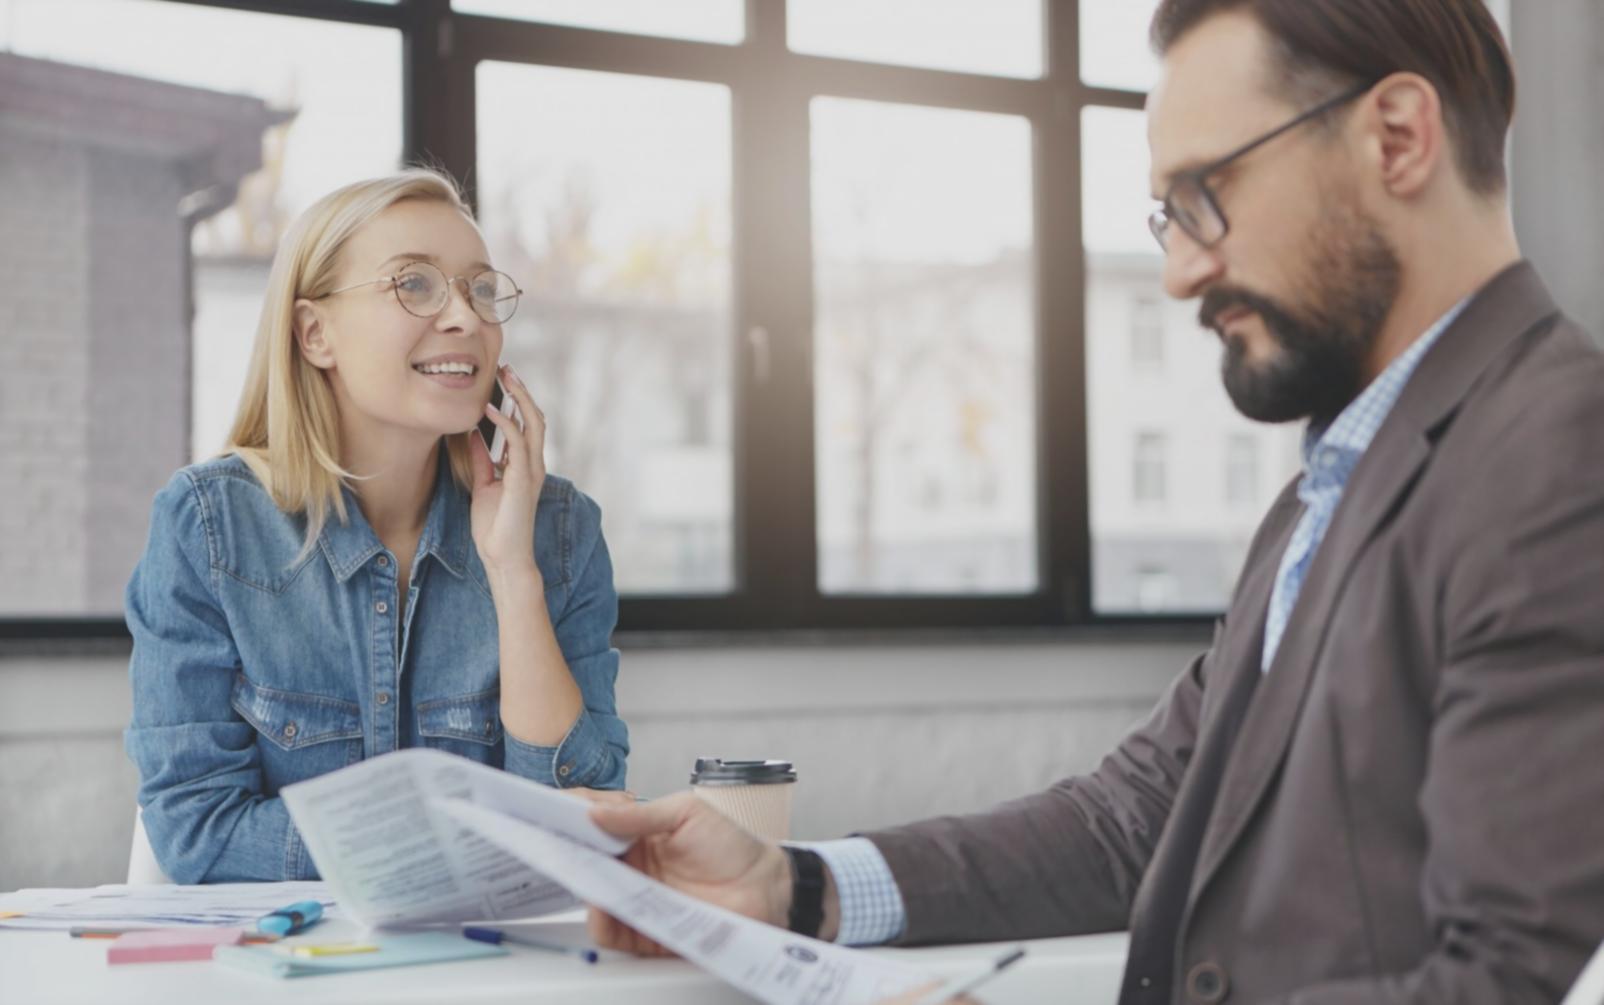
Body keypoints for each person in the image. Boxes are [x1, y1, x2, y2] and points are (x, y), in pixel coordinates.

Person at [582, 1, 1604, 1001]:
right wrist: (791, 885)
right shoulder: (1327, 491)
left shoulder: (1560, 457)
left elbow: (1508, 976)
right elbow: (1137, 816)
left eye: (1206, 192)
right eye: (1168, 217)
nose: (1179, 274)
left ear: (1397, 138)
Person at [125, 169, 630, 884]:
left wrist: (513, 572)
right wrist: (455, 837)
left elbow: (585, 816)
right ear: (314, 333)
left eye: (480, 289)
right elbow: (198, 830)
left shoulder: (561, 532)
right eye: (414, 284)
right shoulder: (208, 528)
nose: (465, 318)